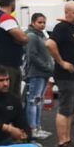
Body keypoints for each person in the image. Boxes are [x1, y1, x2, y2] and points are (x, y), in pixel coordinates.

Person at [45, 1, 74, 147]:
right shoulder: (61, 27)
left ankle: (67, 140)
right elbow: (49, 44)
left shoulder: (73, 29)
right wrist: (62, 63)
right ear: (66, 13)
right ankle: (62, 142)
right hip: (66, 76)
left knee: (70, 109)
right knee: (65, 109)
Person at [22, 12, 54, 140]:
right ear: (33, 22)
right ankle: (32, 128)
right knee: (34, 101)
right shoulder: (32, 36)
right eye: (39, 22)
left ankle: (38, 127)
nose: (42, 25)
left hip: (43, 73)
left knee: (38, 101)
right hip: (36, 73)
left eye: (44, 22)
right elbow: (32, 56)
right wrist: (46, 67)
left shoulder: (41, 35)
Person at [0, 0, 28, 92]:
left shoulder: (0, 17)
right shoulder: (5, 17)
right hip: (7, 66)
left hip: (4, 64)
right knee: (10, 99)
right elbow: (23, 38)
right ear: (12, 3)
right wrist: (23, 38)